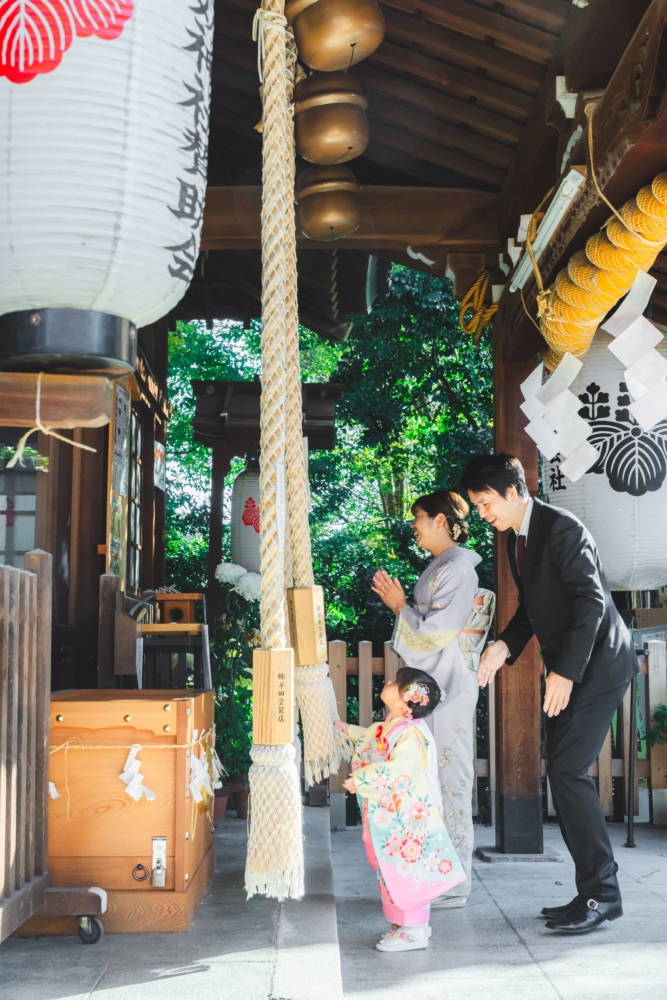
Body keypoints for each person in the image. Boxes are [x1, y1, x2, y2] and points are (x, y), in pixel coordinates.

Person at [460, 452, 639, 934]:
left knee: (567, 769)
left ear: (513, 492)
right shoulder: (518, 539)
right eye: (478, 506)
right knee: (563, 772)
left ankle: (603, 895)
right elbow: (534, 610)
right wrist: (503, 646)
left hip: (600, 665)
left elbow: (591, 603)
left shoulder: (562, 528)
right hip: (573, 666)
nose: (483, 514)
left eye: (485, 503)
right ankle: (591, 893)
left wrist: (565, 672)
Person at [371, 491, 494, 908]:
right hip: (438, 677)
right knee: (431, 777)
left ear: (441, 521)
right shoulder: (444, 567)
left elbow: (437, 633)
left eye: (419, 518)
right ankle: (435, 873)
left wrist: (401, 606)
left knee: (450, 777)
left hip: (451, 681)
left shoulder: (458, 569)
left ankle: (454, 880)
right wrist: (404, 609)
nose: (414, 526)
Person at [335, 667, 467, 952]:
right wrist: (346, 730)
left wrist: (362, 780)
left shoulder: (412, 735)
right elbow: (373, 739)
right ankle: (408, 926)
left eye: (396, 683)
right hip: (397, 815)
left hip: (409, 818)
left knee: (406, 868)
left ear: (405, 702)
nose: (389, 682)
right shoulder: (396, 725)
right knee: (395, 869)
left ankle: (413, 930)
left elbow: (401, 770)